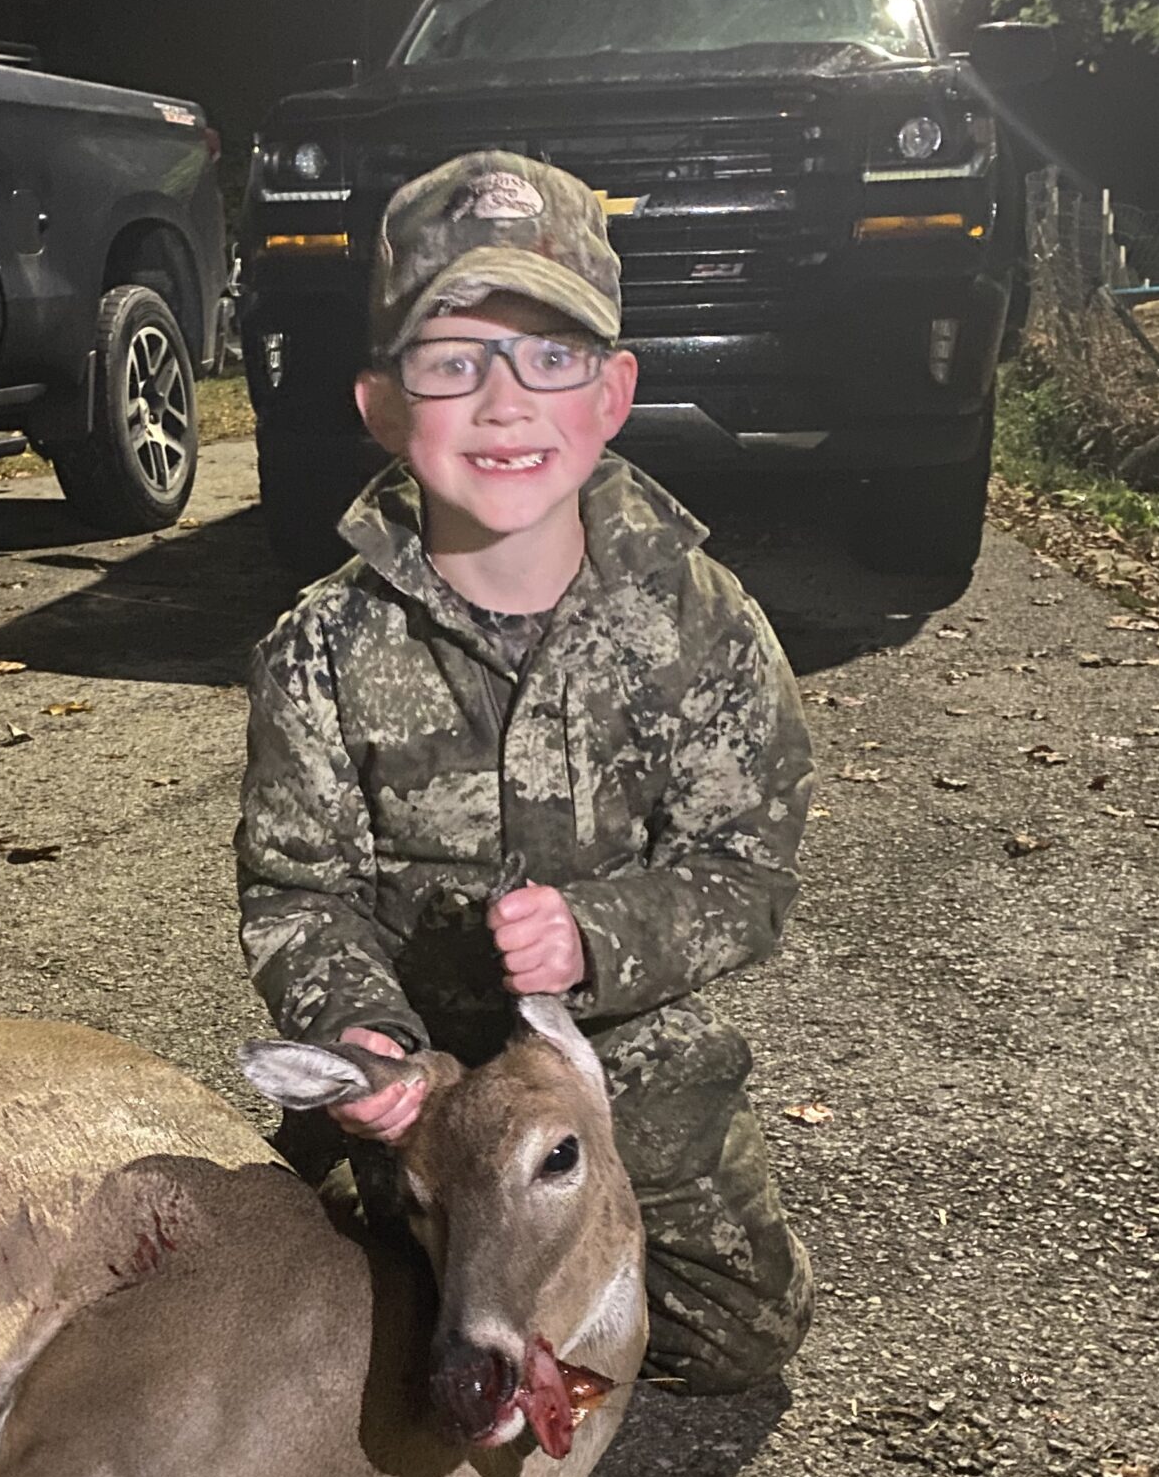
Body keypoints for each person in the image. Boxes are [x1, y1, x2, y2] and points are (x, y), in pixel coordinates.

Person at [235, 150, 813, 1394]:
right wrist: (363, 1039)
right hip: (422, 1071)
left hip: (615, 1052)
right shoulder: (319, 648)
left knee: (737, 1336)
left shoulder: (700, 624)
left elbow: (745, 873)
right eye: (453, 363)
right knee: (328, 1344)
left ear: (612, 394)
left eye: (550, 357)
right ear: (383, 405)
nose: (505, 405)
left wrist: (599, 935)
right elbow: (298, 893)